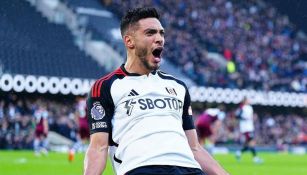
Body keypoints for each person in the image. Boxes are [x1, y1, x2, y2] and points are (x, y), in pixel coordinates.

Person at [83, 7, 229, 175]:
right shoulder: (106, 86)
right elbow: (98, 147)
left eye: (161, 33)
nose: (159, 39)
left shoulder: (178, 87)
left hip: (190, 169)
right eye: (150, 33)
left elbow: (194, 147)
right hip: (142, 168)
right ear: (129, 41)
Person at [235, 97, 262, 163]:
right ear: (245, 101)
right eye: (248, 99)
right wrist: (245, 118)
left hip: (250, 127)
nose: (249, 100)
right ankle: (255, 158)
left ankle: (239, 152)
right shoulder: (242, 107)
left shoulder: (249, 108)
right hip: (245, 128)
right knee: (251, 142)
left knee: (248, 144)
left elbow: (250, 117)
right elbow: (237, 116)